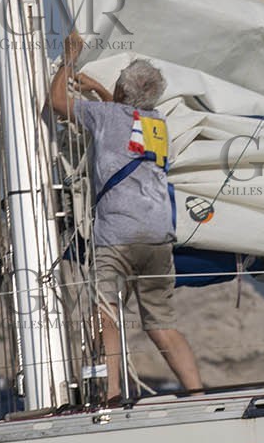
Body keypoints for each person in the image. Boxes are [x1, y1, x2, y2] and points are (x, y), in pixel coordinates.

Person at [48, 34, 203, 407]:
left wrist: (70, 61)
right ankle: (198, 394)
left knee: (107, 314)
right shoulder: (157, 124)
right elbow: (124, 116)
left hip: (117, 234)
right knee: (161, 324)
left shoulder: (103, 117)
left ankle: (113, 395)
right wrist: (100, 88)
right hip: (158, 236)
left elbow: (56, 102)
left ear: (120, 88)